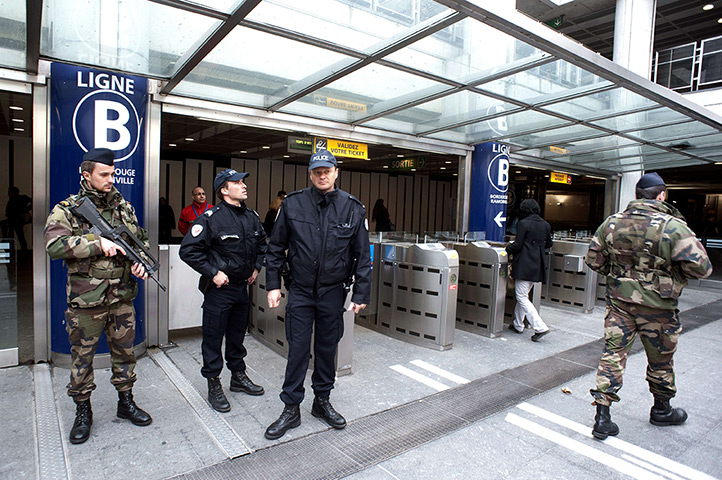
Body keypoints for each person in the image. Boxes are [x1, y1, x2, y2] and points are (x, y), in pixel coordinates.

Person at [585, 172, 712, 440]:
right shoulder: (673, 226)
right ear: (662, 195)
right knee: (661, 361)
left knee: (613, 355)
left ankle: (602, 418)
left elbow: (593, 260)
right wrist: (672, 272)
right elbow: (703, 268)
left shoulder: (611, 224)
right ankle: (662, 410)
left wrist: (619, 274)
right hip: (659, 308)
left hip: (620, 304)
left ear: (636, 195)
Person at [44, 148, 152, 445]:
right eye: (104, 174)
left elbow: (138, 240)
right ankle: (83, 411)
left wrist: (140, 263)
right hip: (86, 302)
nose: (110, 179)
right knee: (82, 359)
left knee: (125, 354)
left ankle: (125, 402)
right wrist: (96, 242)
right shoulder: (67, 209)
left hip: (121, 298)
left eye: (112, 173)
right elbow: (54, 246)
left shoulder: (124, 207)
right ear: (86, 174)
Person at [264, 150, 371, 440]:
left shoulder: (353, 208)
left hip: (332, 293)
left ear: (336, 172)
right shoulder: (293, 204)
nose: (322, 176)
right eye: (316, 172)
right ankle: (291, 408)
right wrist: (273, 285)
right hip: (299, 291)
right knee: (297, 349)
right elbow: (275, 248)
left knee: (327, 349)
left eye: (327, 171)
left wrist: (361, 292)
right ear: (310, 174)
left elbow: (362, 256)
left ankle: (322, 401)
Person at [179, 169, 267, 413]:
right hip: (220, 289)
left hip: (242, 288)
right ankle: (213, 383)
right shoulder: (211, 218)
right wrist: (213, 272)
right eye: (237, 182)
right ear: (224, 190)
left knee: (238, 336)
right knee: (213, 337)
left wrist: (257, 267)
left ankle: (238, 377)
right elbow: (188, 250)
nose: (243, 185)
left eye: (243, 182)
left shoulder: (251, 216)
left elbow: (262, 244)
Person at [505, 198, 552, 341]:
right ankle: (518, 324)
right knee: (523, 295)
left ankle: (540, 327)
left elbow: (518, 245)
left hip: (525, 265)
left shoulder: (523, 223)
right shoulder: (545, 224)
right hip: (537, 265)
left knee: (521, 296)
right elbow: (549, 243)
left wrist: (508, 248)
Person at [1, 186, 32, 252]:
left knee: (20, 235)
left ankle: (23, 250)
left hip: (18, 220)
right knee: (20, 235)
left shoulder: (20, 198)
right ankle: (6, 244)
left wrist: (25, 211)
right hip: (14, 219)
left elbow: (32, 202)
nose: (8, 194)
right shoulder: (12, 200)